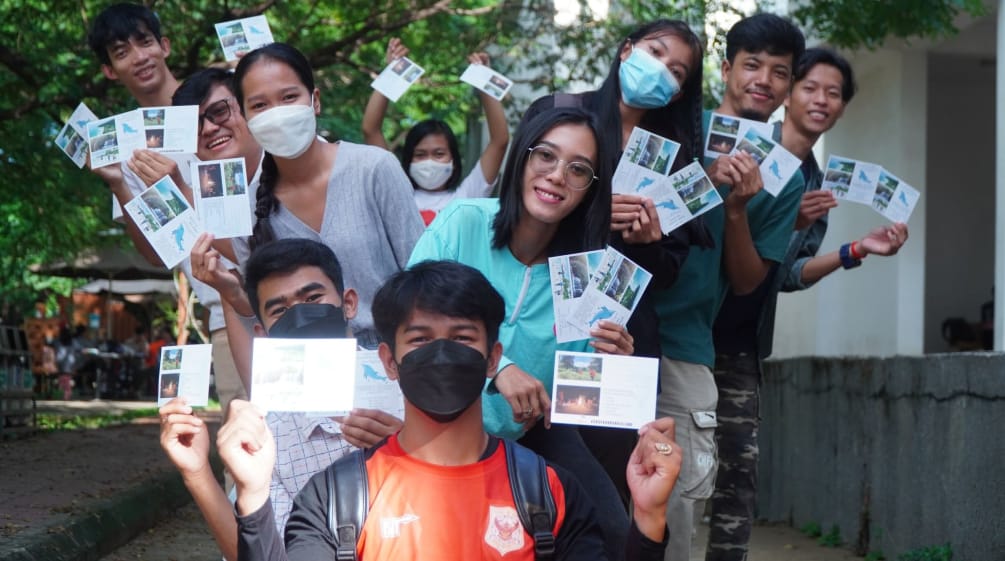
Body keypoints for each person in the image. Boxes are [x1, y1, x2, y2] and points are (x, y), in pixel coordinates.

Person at [225, 260, 679, 560]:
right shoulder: (335, 499)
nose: (441, 354)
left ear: (493, 357)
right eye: (420, 339)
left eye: (462, 338)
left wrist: (648, 520)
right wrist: (252, 497)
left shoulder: (549, 492)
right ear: (388, 360)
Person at [706, 47, 909, 561]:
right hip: (690, 328)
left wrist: (856, 250)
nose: (821, 100)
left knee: (737, 484)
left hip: (743, 343)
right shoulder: (739, 145)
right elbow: (706, 231)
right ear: (787, 94)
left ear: (842, 109)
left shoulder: (818, 183)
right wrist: (778, 218)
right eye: (810, 87)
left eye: (834, 93)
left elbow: (787, 275)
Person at [407, 106, 634, 558]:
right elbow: (411, 322)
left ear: (592, 188)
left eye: (578, 169)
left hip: (528, 431)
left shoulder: (595, 274)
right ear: (522, 159)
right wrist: (498, 368)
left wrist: (613, 367)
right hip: (434, 417)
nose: (556, 176)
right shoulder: (464, 221)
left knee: (613, 529)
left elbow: (578, 396)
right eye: (545, 156)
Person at [520, 18, 712, 507]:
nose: (662, 70)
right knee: (530, 460)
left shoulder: (673, 159)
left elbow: (668, 271)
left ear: (678, 94)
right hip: (541, 312)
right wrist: (598, 211)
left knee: (604, 480)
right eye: (656, 53)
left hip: (618, 336)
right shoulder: (560, 114)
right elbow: (520, 208)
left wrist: (647, 240)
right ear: (627, 50)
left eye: (677, 71)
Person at [648, 13, 806, 561]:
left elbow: (747, 283)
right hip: (619, 331)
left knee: (676, 510)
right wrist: (703, 181)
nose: (763, 79)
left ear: (788, 87)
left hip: (690, 346)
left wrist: (736, 210)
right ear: (726, 69)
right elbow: (631, 217)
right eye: (752, 65)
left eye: (779, 72)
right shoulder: (672, 130)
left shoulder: (786, 175)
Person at [159, 238, 401, 561]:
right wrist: (197, 471)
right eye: (280, 310)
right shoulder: (268, 432)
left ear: (349, 303)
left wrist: (409, 450)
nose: (300, 315)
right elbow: (256, 552)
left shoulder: (406, 389)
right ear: (261, 333)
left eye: (313, 297)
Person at [207, 42, 424, 351]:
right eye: (260, 106)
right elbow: (263, 316)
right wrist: (229, 290)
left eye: (289, 97)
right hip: (303, 373)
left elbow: (424, 275)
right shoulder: (247, 210)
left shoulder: (374, 168)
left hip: (393, 364)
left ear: (315, 101)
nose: (278, 114)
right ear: (244, 118)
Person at [86, 3, 246, 418]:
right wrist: (120, 184)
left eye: (145, 42)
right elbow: (160, 254)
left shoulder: (221, 100)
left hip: (291, 287)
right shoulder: (125, 148)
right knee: (245, 447)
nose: (139, 56)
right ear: (109, 70)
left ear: (165, 46)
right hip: (226, 308)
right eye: (122, 52)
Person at [361, 38, 510, 225]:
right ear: (408, 160)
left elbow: (499, 141)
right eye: (420, 154)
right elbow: (371, 129)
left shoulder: (466, 197)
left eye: (439, 154)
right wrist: (392, 72)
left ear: (453, 160)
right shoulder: (396, 192)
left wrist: (484, 80)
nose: (429, 162)